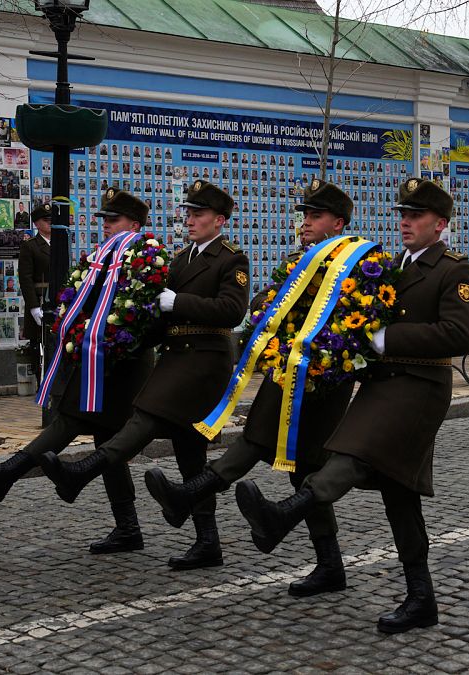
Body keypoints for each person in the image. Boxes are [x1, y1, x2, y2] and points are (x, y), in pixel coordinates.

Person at [234, 178, 469, 633]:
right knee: (398, 494)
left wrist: (388, 338)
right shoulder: (389, 264)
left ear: (440, 225)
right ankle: (421, 598)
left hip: (420, 386)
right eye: (402, 215)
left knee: (353, 452)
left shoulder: (453, 270)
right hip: (382, 383)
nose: (405, 222)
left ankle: (282, 517)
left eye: (416, 216)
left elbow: (461, 334)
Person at [143, 178, 357, 593]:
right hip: (287, 373)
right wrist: (264, 307)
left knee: (304, 471)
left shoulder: (354, 264)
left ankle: (325, 562)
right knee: (262, 449)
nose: (305, 222)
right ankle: (327, 564)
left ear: (339, 222)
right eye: (305, 215)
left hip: (324, 380)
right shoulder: (302, 258)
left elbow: (353, 320)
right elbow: (268, 298)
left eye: (315, 215)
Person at [37, 180, 250, 569]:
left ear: (219, 220)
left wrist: (178, 301)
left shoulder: (231, 259)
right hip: (176, 358)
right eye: (187, 213)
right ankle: (208, 543)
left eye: (198, 214)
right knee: (190, 453)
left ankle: (82, 471)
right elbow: (154, 314)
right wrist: (113, 339)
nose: (189, 219)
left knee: (145, 416)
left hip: (206, 361)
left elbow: (231, 311)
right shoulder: (181, 258)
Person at [0, 189, 157, 554]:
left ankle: (9, 473)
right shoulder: (101, 258)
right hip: (96, 362)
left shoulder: (147, 258)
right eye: (104, 221)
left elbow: (143, 313)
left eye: (113, 221)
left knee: (87, 431)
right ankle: (126, 526)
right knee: (94, 435)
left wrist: (111, 337)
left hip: (124, 364)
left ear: (134, 224)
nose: (107, 227)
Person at [17, 203, 52, 352]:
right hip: (40, 300)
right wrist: (34, 307)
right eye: (46, 220)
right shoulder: (30, 246)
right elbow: (25, 278)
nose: (50, 223)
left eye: (52, 220)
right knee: (40, 349)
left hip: (58, 300)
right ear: (37, 223)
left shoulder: (60, 244)